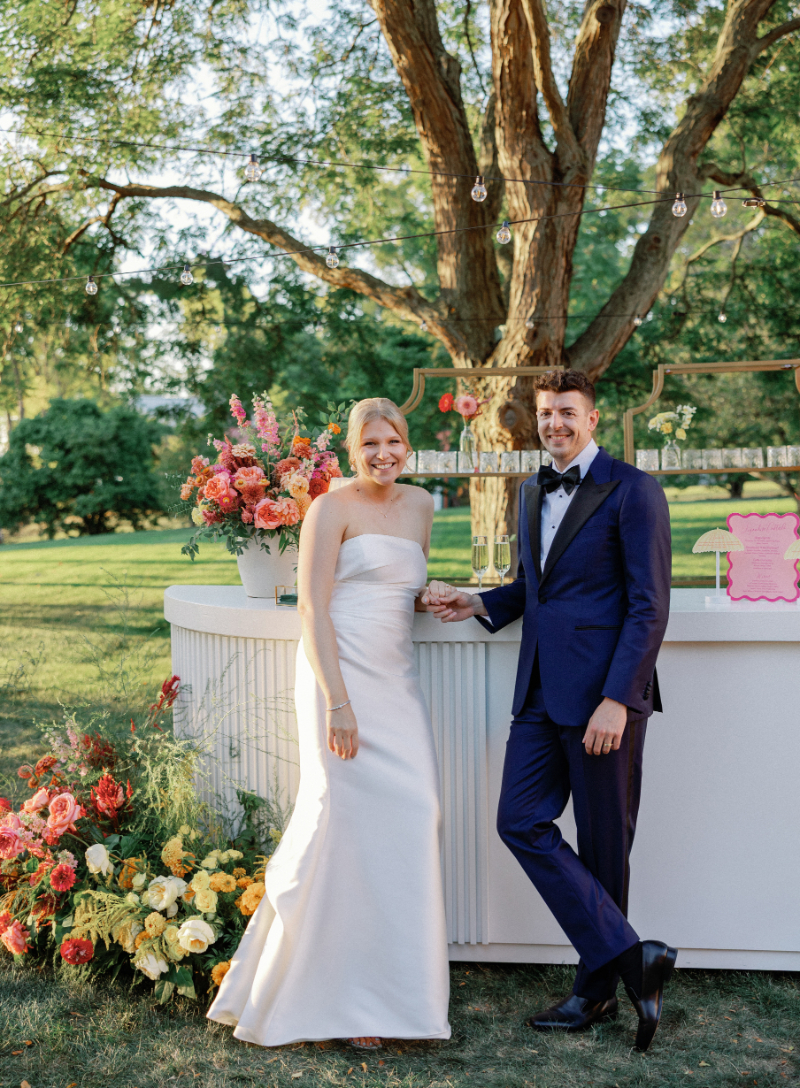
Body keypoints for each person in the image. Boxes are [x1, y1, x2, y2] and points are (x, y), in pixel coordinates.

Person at [423, 369, 675, 1052]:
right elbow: (535, 587)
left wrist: (618, 700)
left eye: (567, 411)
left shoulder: (635, 490)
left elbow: (650, 605)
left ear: (593, 418)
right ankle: (632, 956)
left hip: (603, 701)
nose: (554, 423)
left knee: (603, 846)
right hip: (537, 691)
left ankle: (594, 993)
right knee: (519, 820)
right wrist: (478, 603)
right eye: (544, 413)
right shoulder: (532, 487)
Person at [208, 397, 451, 1048]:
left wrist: (436, 594)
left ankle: (395, 997)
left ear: (407, 444)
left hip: (395, 682)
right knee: (336, 828)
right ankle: (330, 1000)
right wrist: (339, 704)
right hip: (336, 681)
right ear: (352, 450)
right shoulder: (329, 508)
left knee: (416, 814)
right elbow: (313, 611)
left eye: (393, 442)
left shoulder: (424, 506)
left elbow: (406, 589)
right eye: (370, 444)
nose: (383, 454)